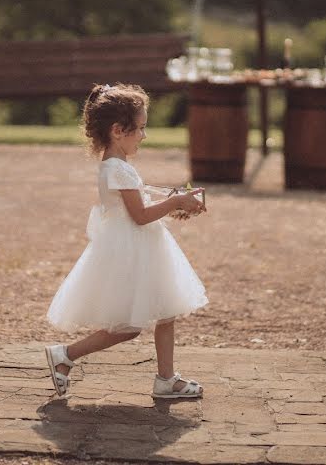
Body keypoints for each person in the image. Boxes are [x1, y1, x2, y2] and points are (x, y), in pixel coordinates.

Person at [44, 83, 208, 399]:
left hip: (138, 246)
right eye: (141, 129)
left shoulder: (116, 164)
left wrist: (176, 198)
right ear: (119, 130)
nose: (144, 136)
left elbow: (140, 196)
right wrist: (175, 204)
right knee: (128, 327)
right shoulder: (117, 168)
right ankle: (65, 355)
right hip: (132, 249)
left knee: (165, 311)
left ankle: (165, 378)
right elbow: (140, 216)